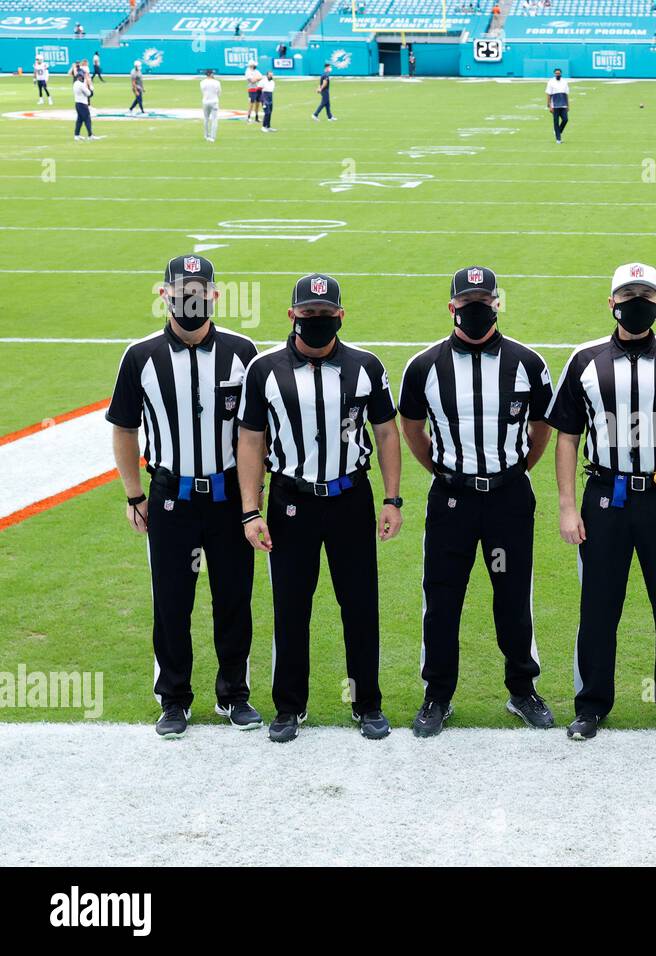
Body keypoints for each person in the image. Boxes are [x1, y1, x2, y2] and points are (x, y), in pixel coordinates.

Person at [546, 263, 656, 742]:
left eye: (645, 293)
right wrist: (566, 505)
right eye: (628, 293)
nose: (636, 300)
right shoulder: (584, 360)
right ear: (611, 302)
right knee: (599, 604)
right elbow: (566, 437)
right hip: (604, 496)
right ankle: (591, 704)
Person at [236, 274, 403, 743]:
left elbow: (387, 432)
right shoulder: (265, 369)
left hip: (351, 497)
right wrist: (251, 509)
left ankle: (366, 702)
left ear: (341, 316)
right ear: (291, 316)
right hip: (292, 499)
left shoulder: (366, 366)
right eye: (308, 314)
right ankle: (290, 707)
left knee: (359, 604)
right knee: (291, 606)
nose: (317, 321)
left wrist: (391, 499)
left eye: (325, 314)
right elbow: (251, 440)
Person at [107, 255, 261, 739]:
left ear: (214, 296)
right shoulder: (140, 356)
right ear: (164, 294)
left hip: (229, 498)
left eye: (199, 291)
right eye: (180, 291)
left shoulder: (243, 352)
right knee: (172, 601)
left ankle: (234, 694)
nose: (189, 300)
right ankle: (174, 699)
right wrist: (134, 495)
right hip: (171, 496)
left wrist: (253, 502)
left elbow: (255, 432)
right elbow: (124, 428)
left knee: (233, 599)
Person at [398, 267, 555, 736]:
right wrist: (445, 473)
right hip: (451, 499)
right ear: (452, 307)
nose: (475, 308)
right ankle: (437, 695)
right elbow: (411, 426)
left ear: (497, 303)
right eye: (466, 302)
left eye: (483, 300)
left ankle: (522, 690)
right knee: (442, 597)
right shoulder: (424, 365)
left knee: (512, 596)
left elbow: (541, 426)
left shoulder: (528, 362)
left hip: (508, 496)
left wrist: (516, 469)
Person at [546, 67, 569, 142]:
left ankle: (558, 131)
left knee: (565, 119)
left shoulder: (564, 82)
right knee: (556, 121)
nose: (557, 74)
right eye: (556, 73)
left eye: (559, 73)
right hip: (555, 105)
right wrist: (549, 105)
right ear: (554, 74)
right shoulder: (551, 82)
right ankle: (558, 139)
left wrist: (568, 105)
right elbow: (548, 94)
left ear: (561, 73)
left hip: (563, 104)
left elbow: (566, 94)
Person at [72, 70, 97, 141]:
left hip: (77, 103)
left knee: (79, 120)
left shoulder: (75, 83)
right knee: (87, 119)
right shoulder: (81, 84)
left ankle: (76, 135)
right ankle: (90, 135)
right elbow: (89, 94)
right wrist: (90, 86)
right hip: (83, 104)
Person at [200, 69, 221, 142]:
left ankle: (206, 135)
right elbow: (219, 92)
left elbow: (203, 91)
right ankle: (212, 137)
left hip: (205, 101)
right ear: (211, 74)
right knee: (214, 120)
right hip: (214, 101)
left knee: (206, 119)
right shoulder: (217, 82)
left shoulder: (202, 82)